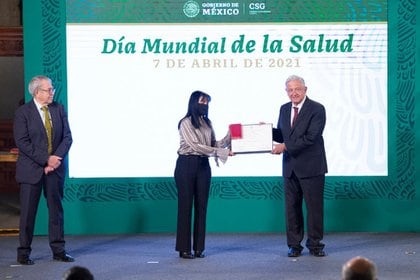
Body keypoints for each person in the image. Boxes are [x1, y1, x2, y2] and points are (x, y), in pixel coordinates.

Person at [14, 75, 74, 265]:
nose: (52, 93)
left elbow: (67, 137)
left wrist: (55, 161)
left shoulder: (58, 109)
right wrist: (46, 160)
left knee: (56, 211)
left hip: (54, 170)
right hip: (31, 170)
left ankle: (59, 250)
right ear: (37, 92)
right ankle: (23, 252)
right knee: (28, 213)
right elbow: (23, 142)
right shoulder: (23, 112)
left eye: (52, 89)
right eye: (49, 90)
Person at [272, 74, 328, 257]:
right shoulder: (283, 109)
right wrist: (265, 132)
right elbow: (282, 135)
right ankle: (294, 245)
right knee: (292, 209)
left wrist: (285, 147)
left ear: (305, 89)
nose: (294, 93)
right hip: (290, 168)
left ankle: (315, 244)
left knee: (314, 209)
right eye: (290, 90)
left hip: (312, 167)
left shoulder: (317, 109)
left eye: (297, 89)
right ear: (286, 92)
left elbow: (311, 138)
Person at [174, 90, 231, 259]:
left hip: (203, 166)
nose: (205, 105)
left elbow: (214, 144)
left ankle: (199, 248)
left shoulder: (207, 123)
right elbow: (196, 146)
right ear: (194, 103)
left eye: (207, 102)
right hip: (186, 164)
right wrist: (222, 152)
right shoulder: (185, 122)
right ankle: (184, 249)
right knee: (185, 207)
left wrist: (230, 136)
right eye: (202, 101)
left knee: (202, 207)